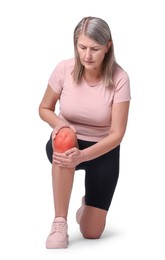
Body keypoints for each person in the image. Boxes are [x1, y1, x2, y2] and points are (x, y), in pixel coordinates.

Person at [38, 16, 131, 249]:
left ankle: (86, 206)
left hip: (103, 150)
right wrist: (60, 124)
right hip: (68, 143)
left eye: (94, 49)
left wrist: (85, 156)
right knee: (66, 136)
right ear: (75, 44)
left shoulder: (120, 78)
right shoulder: (64, 69)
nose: (87, 55)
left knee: (91, 232)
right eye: (82, 47)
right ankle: (59, 222)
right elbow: (44, 108)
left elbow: (117, 134)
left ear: (107, 46)